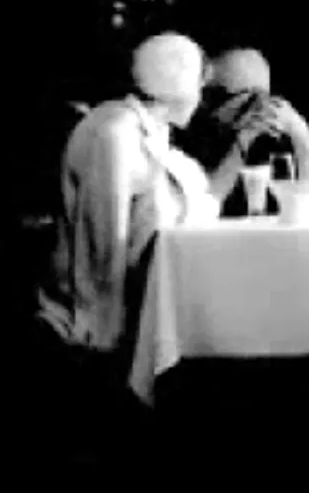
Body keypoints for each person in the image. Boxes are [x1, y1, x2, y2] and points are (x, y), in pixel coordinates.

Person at [32, 32, 219, 464]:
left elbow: (194, 208)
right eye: (198, 84)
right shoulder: (113, 131)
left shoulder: (153, 133)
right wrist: (107, 345)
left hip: (144, 317)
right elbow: (103, 243)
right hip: (95, 334)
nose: (202, 96)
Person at [180, 47, 309, 216]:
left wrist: (301, 134)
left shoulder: (280, 131)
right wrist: (241, 145)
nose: (202, 102)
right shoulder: (195, 131)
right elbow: (199, 205)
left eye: (215, 94)